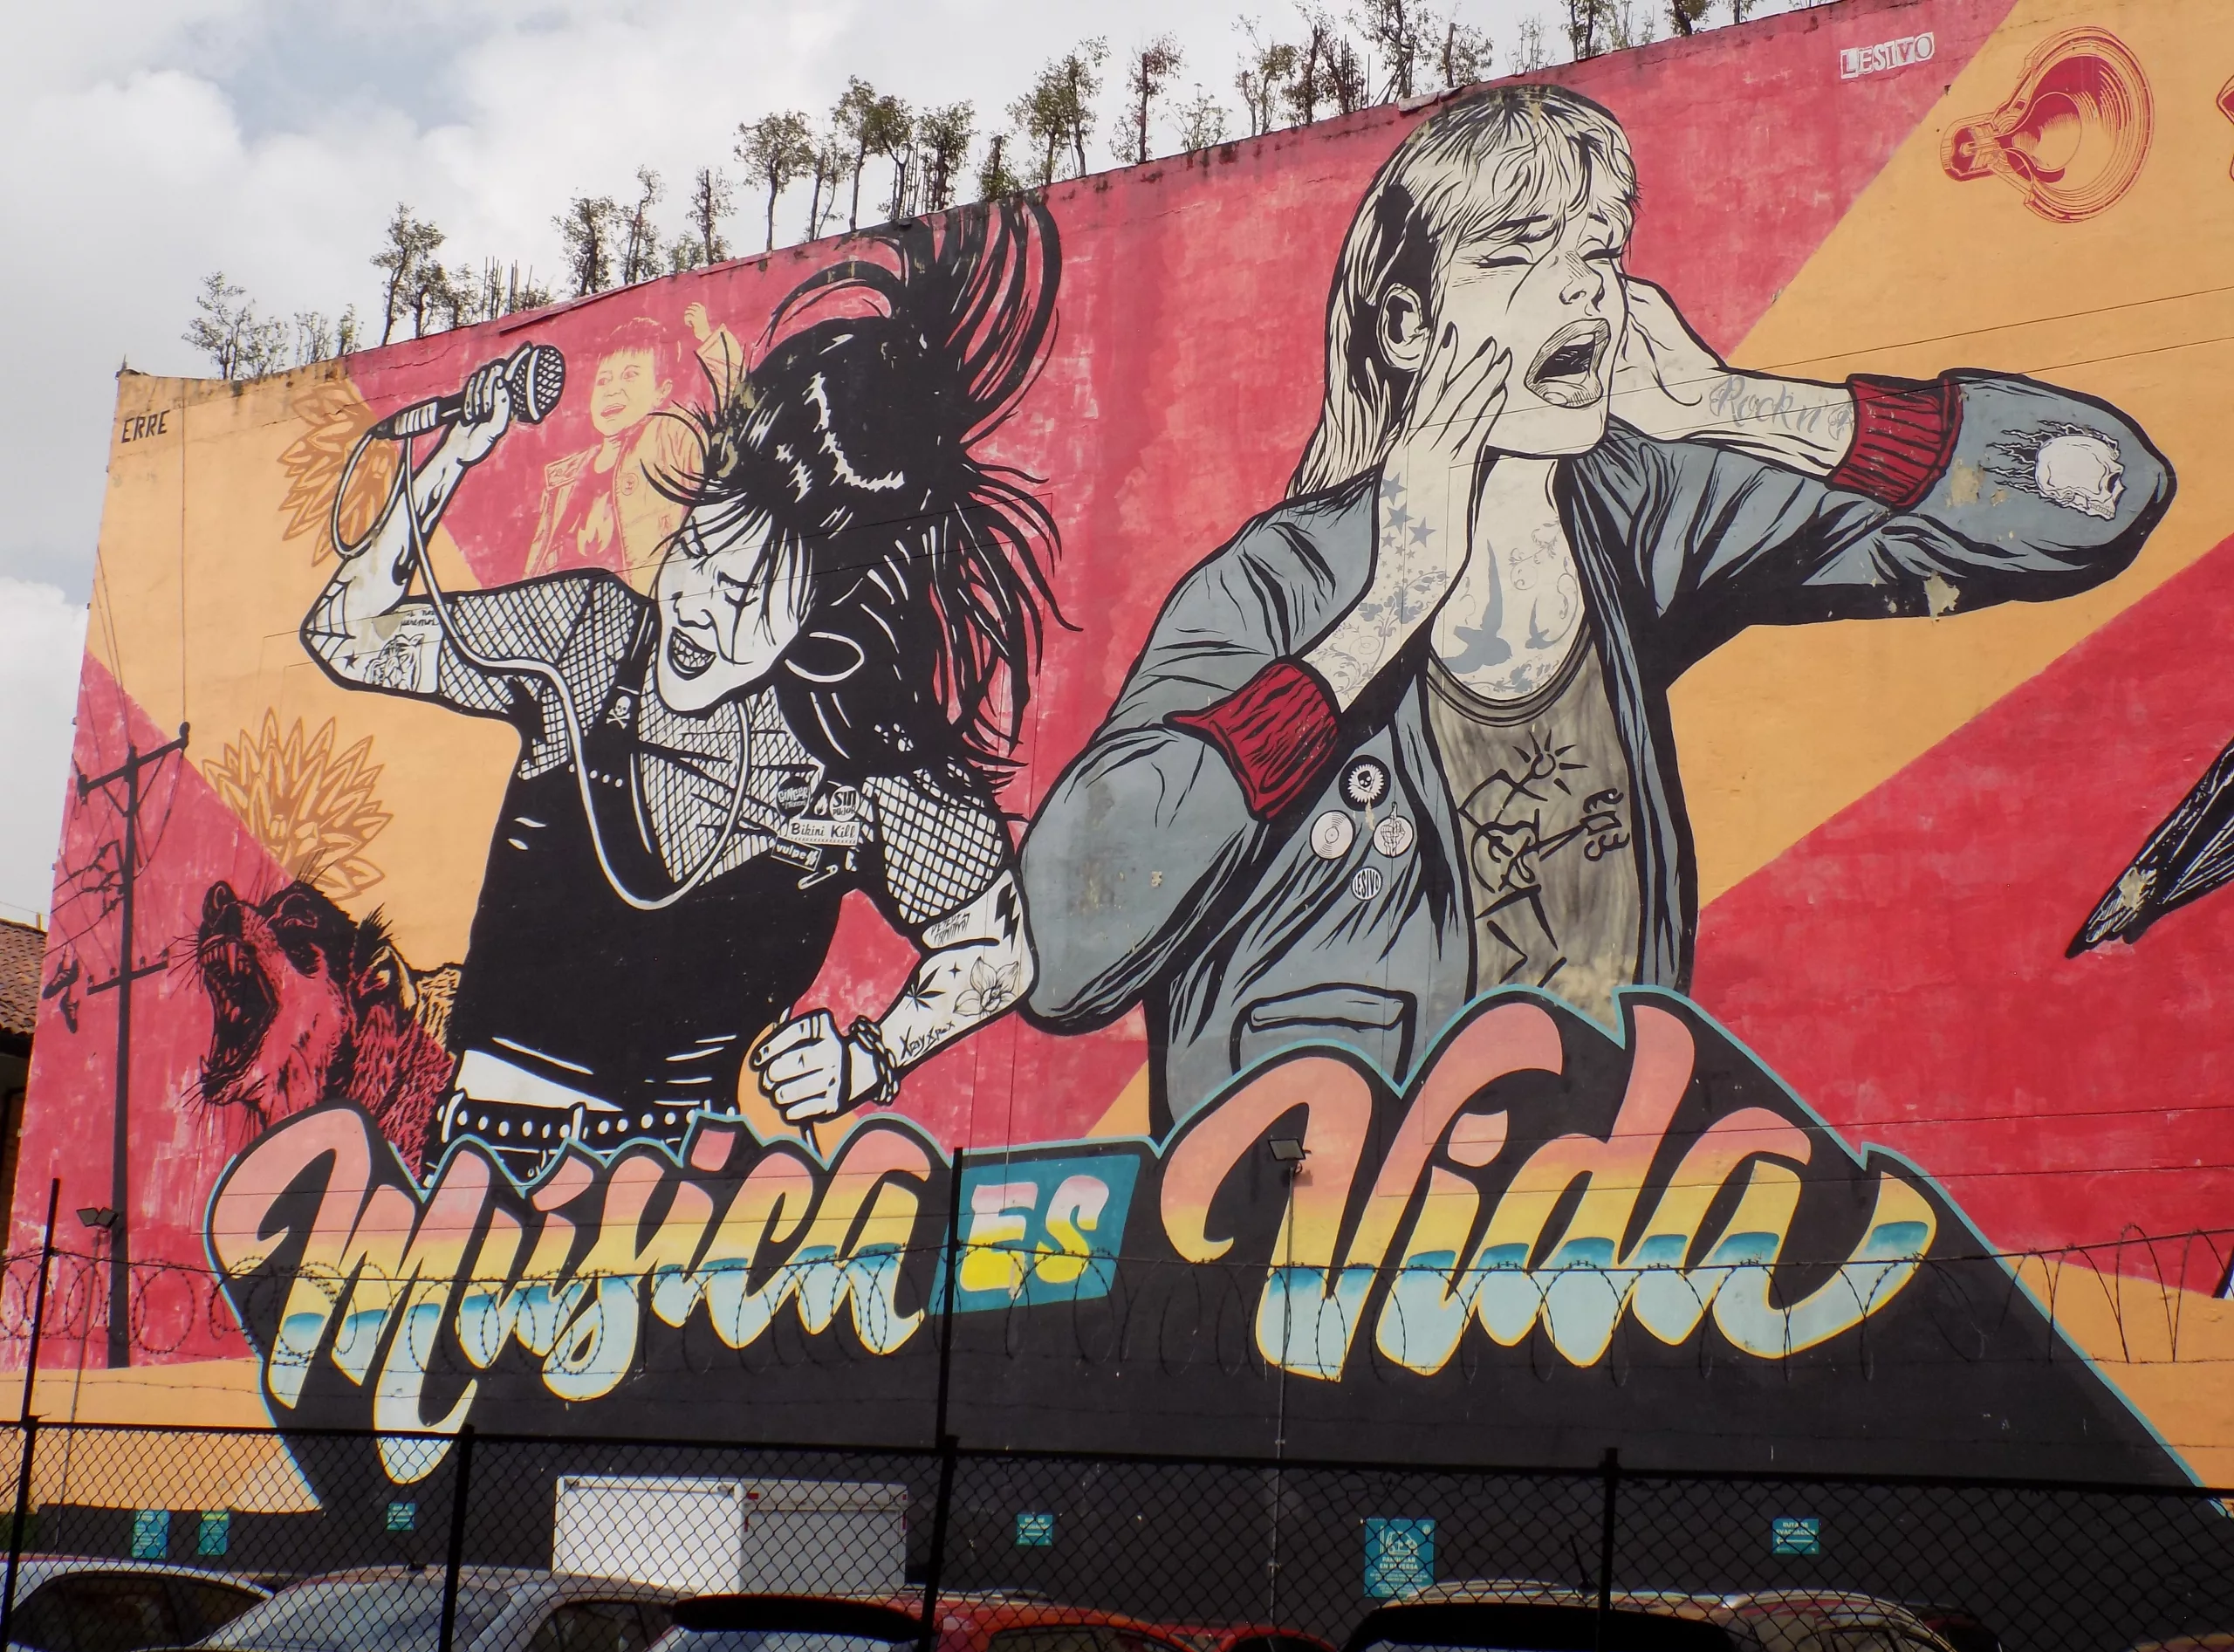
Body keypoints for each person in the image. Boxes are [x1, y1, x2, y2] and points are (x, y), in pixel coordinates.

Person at [1019, 83, 2173, 1135]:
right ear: (1408, 327)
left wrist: (1734, 404)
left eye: (1598, 249)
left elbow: (2095, 496)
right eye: (1518, 251)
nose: (1581, 285)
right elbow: (1064, 951)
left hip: (1597, 1250)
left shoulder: (1645, 511)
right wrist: (1385, 609)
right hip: (1303, 1259)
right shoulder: (1278, 584)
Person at [303, 201, 1061, 1178]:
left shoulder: (857, 769)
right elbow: (347, 638)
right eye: (697, 549)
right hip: (479, 1184)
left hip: (687, 1209)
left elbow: (996, 951)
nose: (699, 606)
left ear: (819, 621)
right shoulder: (588, 639)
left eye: (749, 595)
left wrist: (869, 1057)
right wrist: (457, 451)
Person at [522, 305, 744, 591]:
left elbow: (736, 419)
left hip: (649, 609)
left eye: (630, 375)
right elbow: (538, 565)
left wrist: (709, 339)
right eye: (603, 380)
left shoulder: (673, 438)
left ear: (661, 392)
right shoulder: (563, 478)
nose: (612, 390)